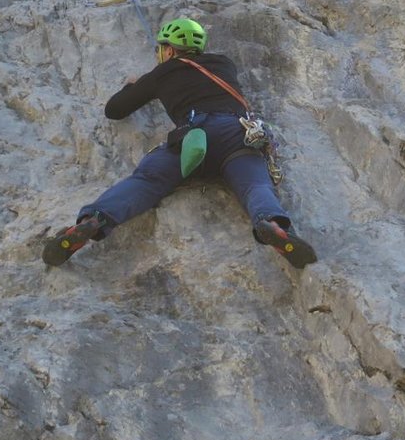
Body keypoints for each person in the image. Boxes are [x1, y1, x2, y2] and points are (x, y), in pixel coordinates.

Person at [42, 18, 317, 269]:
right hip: (236, 135)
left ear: (170, 50)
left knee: (147, 180)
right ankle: (273, 224)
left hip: (192, 138)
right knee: (255, 184)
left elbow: (114, 110)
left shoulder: (161, 74)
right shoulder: (224, 64)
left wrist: (133, 85)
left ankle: (94, 219)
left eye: (161, 48)